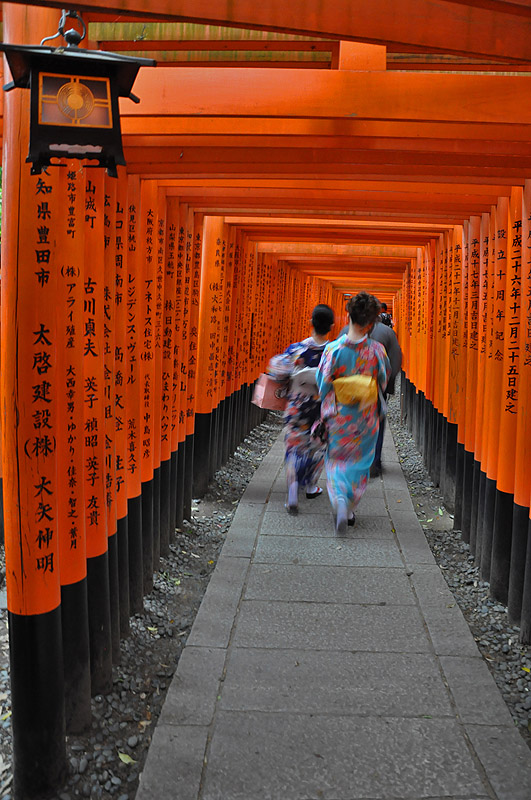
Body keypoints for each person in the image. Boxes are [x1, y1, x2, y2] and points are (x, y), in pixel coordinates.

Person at [317, 292, 390, 534]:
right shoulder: (377, 351)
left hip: (339, 415)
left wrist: (327, 409)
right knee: (359, 463)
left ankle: (339, 499)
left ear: (348, 316)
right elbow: (383, 379)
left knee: (337, 460)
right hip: (365, 416)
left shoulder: (332, 349)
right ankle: (348, 507)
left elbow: (323, 382)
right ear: (372, 323)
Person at [268, 304, 335, 514]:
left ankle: (292, 491)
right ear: (331, 326)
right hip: (322, 407)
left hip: (297, 406)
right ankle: (312, 485)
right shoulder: (334, 352)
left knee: (294, 446)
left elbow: (277, 373)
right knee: (318, 446)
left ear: (310, 323)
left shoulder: (297, 349)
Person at [369, 317, 402, 477]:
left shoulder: (345, 333)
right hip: (375, 387)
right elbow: (395, 361)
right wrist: (387, 386)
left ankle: (352, 460)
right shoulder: (387, 332)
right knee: (377, 422)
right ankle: (374, 462)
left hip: (348, 390)